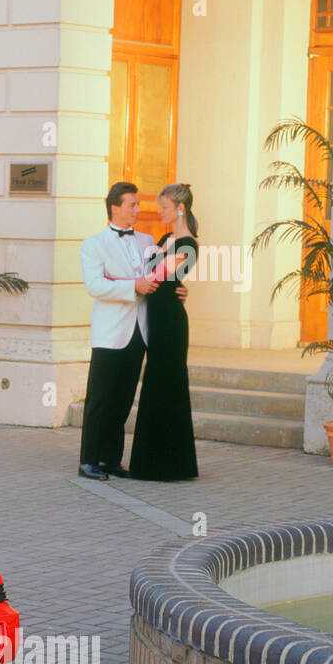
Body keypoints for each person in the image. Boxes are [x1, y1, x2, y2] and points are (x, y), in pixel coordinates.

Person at [77, 182, 187, 480]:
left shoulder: (147, 240)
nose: (139, 209)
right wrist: (131, 286)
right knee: (100, 398)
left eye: (139, 204)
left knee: (123, 399)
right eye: (133, 205)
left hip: (141, 330)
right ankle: (89, 460)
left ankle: (111, 460)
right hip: (110, 331)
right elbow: (96, 286)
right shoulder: (93, 244)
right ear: (115, 207)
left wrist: (177, 290)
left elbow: (159, 277)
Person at [129, 183, 199, 480]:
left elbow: (158, 276)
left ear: (179, 209)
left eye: (164, 208)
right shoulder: (166, 237)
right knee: (155, 382)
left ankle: (170, 465)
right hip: (157, 316)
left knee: (167, 383)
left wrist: (118, 278)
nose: (159, 212)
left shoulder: (187, 243)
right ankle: (150, 462)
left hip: (170, 320)